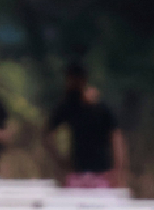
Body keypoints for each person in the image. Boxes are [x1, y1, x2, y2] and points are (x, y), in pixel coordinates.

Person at [44, 62, 127, 190]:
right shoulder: (69, 106)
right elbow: (48, 133)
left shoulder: (99, 107)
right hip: (78, 171)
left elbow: (116, 138)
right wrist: (60, 160)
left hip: (101, 172)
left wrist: (118, 169)